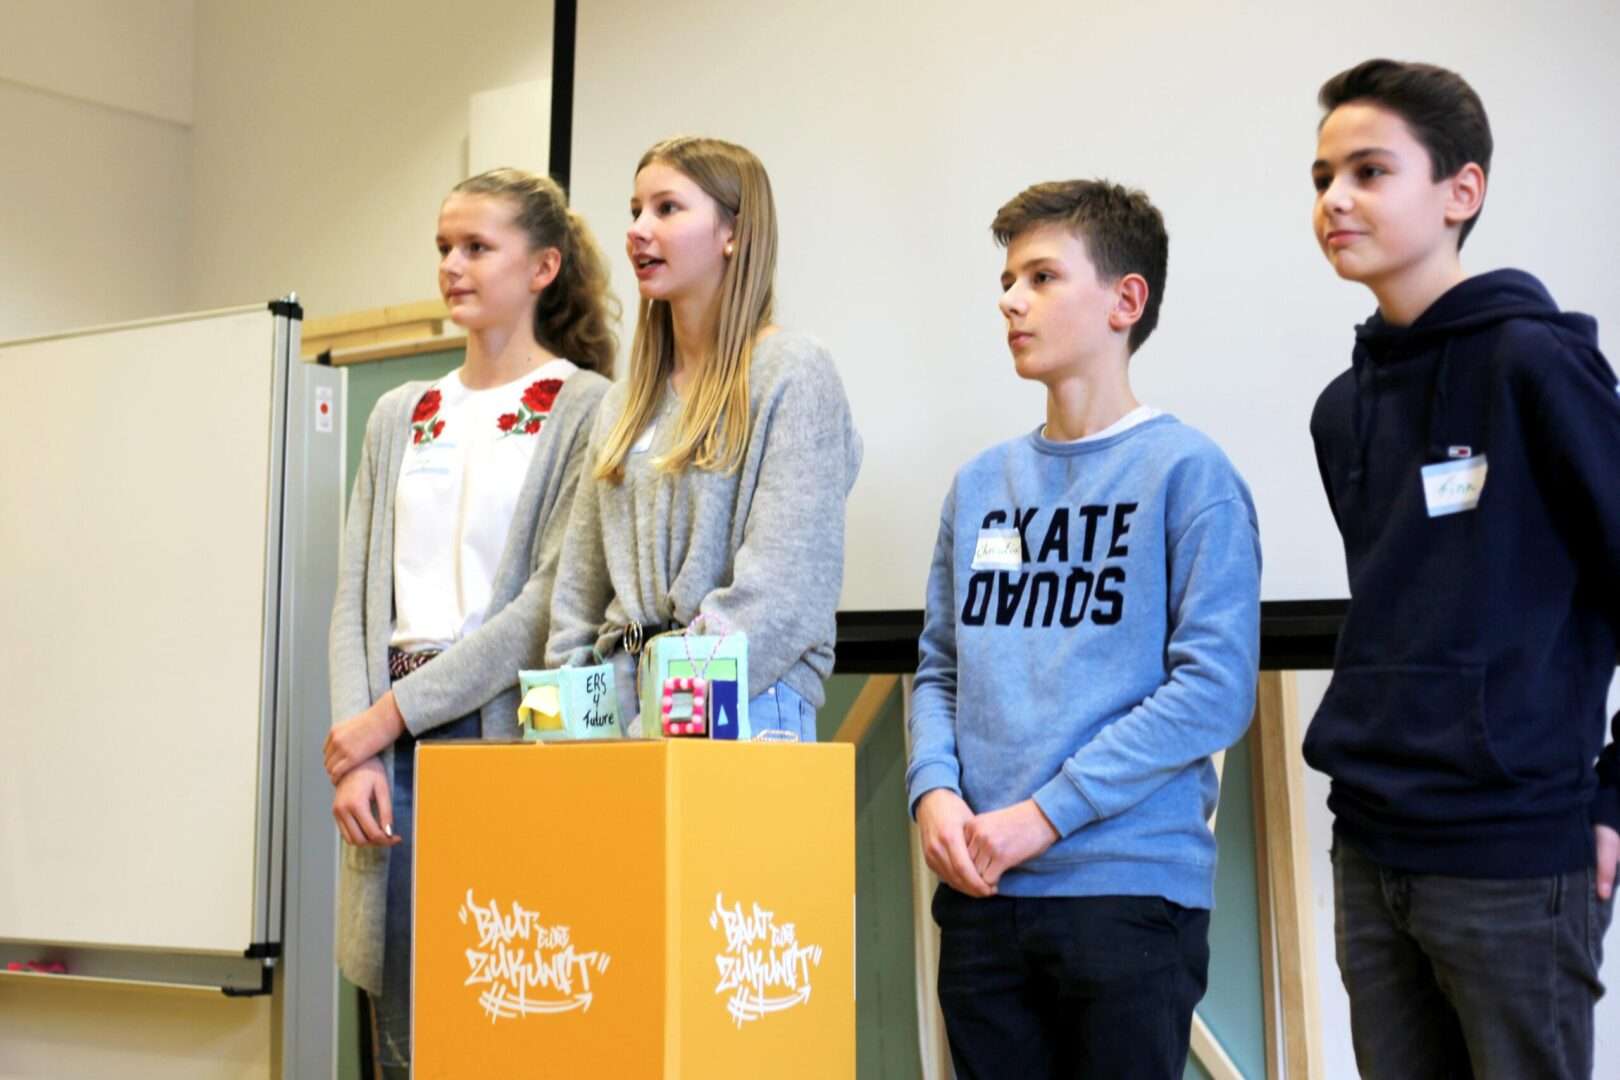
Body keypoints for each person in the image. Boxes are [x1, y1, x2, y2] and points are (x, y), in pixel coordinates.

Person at [1304, 58, 1620, 1078]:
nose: (1335, 199)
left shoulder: (1538, 364)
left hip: (1514, 856)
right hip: (1371, 848)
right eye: (1322, 177)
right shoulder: (1342, 409)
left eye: (1369, 171)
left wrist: (1615, 798)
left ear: (1460, 191)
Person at [907, 178, 1261, 1078]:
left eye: (1041, 277)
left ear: (1124, 301)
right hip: (984, 895)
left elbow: (1214, 691)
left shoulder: (1189, 473)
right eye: (1007, 281)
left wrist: (1045, 816)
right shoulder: (980, 485)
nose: (1010, 301)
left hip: (1125, 893)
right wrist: (933, 791)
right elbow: (941, 667)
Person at [323, 167, 616, 1076]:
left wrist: (385, 719)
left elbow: (547, 606)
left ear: (542, 268)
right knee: (404, 1035)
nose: (452, 265)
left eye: (477, 247)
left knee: (502, 1015)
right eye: (444, 247)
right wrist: (359, 750)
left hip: (501, 739)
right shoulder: (399, 414)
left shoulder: (585, 406)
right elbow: (355, 598)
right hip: (388, 753)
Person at [545, 136, 862, 741]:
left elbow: (782, 596)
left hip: (743, 707)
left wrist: (659, 721)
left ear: (733, 233)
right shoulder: (621, 403)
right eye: (635, 210)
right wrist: (577, 723)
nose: (638, 230)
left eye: (666, 208)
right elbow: (576, 600)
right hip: (620, 718)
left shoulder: (793, 372)